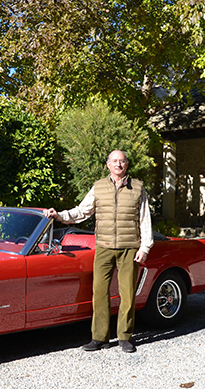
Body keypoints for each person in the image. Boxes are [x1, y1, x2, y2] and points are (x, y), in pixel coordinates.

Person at [43, 149, 153, 353]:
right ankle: (99, 337)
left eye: (122, 161)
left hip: (129, 247)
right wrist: (59, 215)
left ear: (127, 165)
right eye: (114, 161)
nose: (118, 165)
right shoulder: (99, 187)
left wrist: (145, 247)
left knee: (127, 294)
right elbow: (82, 211)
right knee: (99, 293)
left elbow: (145, 218)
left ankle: (125, 337)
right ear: (108, 165)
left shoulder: (137, 187)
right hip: (103, 247)